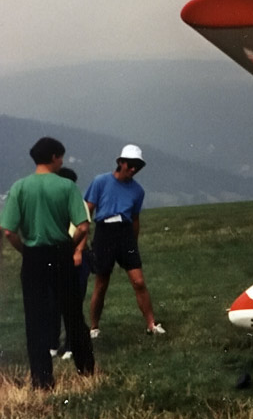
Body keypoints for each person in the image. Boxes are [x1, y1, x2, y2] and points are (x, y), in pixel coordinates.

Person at [0, 137, 95, 389]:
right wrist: (71, 245)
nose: (62, 161)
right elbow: (83, 226)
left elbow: (8, 230)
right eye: (61, 157)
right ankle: (86, 371)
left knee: (36, 319)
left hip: (33, 256)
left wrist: (25, 250)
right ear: (54, 157)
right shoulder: (66, 186)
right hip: (61, 252)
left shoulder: (19, 187)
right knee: (73, 313)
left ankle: (42, 379)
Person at [84, 144, 165, 336]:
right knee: (101, 283)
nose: (133, 170)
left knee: (138, 282)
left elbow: (135, 219)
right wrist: (84, 237)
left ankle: (151, 324)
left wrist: (132, 244)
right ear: (121, 162)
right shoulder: (100, 181)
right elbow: (88, 209)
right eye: (130, 165)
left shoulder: (138, 191)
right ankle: (94, 327)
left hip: (125, 234)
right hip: (104, 232)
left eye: (137, 166)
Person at [52, 167, 92, 360]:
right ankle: (58, 342)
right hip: (59, 254)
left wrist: (77, 251)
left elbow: (84, 228)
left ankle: (71, 344)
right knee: (58, 301)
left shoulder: (78, 202)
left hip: (75, 254)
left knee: (73, 301)